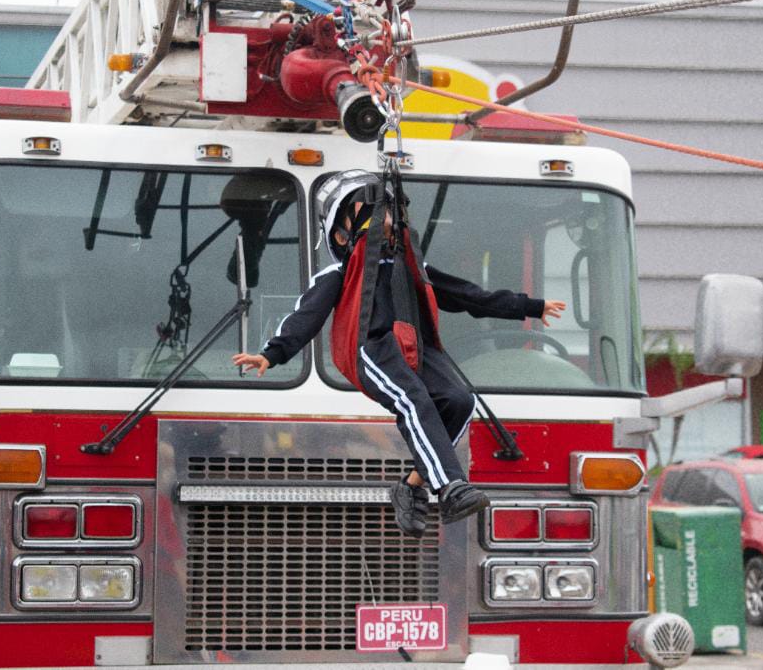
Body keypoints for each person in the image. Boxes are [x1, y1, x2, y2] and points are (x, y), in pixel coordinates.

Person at [233, 170, 565, 537]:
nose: (381, 219)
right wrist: (271, 354)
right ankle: (451, 487)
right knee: (413, 399)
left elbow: (468, 295)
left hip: (416, 347)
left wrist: (530, 306)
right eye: (366, 212)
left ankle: (410, 486)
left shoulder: (414, 268)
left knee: (459, 400)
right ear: (342, 234)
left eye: (384, 210)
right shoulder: (339, 273)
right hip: (372, 350)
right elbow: (306, 315)